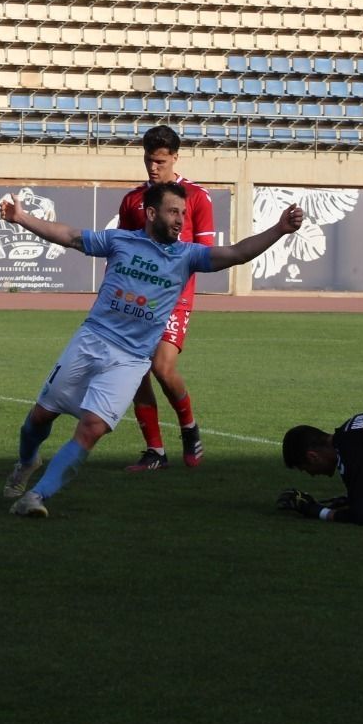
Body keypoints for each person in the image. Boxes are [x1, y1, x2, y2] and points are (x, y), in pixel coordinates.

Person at [1, 181, 304, 517]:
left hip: (131, 360)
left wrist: (279, 229)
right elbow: (71, 236)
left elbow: (236, 253)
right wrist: (21, 217)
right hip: (92, 340)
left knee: (91, 429)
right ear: (150, 213)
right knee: (40, 417)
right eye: (173, 212)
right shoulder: (120, 241)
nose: (180, 220)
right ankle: (28, 461)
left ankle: (37, 497)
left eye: (183, 213)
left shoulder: (187, 256)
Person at [116, 125, 215, 471]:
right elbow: (123, 250)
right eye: (148, 160)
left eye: (159, 160)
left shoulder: (197, 198)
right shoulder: (132, 201)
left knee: (161, 366)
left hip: (175, 298)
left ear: (175, 157)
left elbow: (206, 253)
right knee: (135, 371)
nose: (153, 167)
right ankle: (155, 450)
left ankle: (188, 427)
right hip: (138, 297)